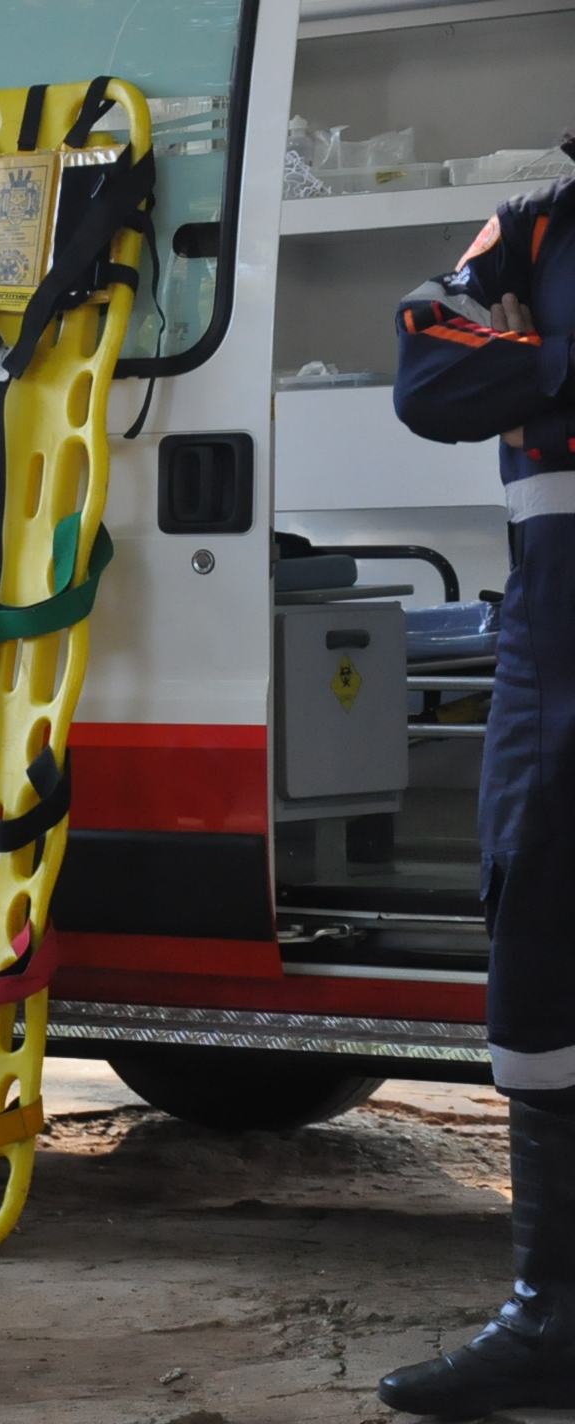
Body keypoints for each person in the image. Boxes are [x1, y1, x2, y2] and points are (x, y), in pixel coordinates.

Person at [384, 148, 575, 1416]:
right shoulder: (530, 225)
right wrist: (543, 359)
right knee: (537, 949)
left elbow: (480, 372)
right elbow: (424, 372)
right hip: (550, 644)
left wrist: (530, 364)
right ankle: (549, 1313)